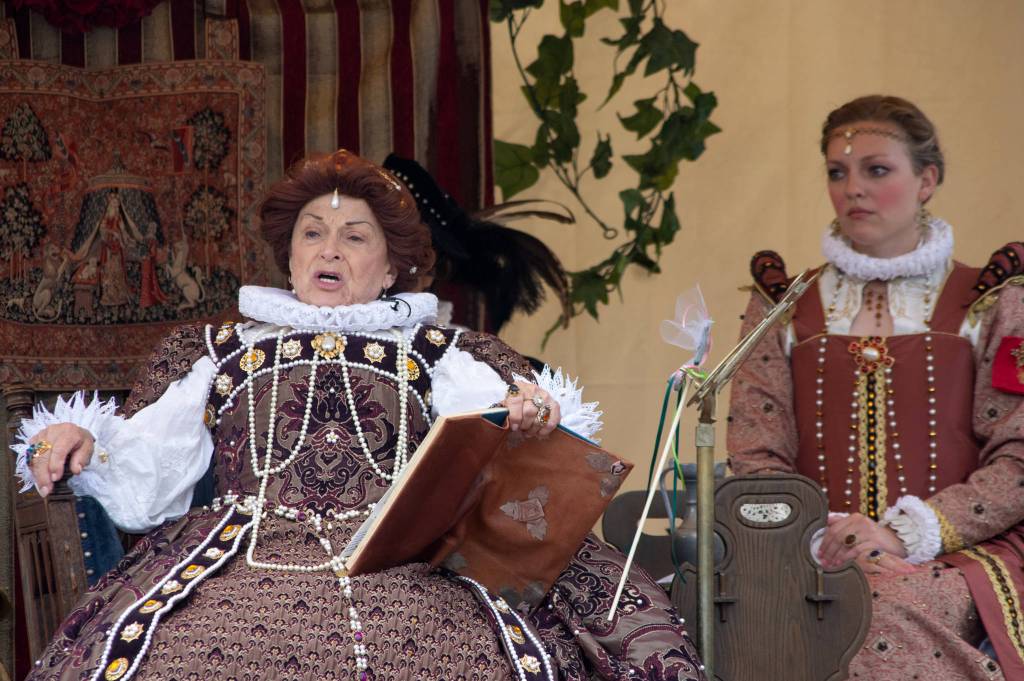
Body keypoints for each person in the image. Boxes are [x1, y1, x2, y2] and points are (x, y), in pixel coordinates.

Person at [12, 150, 704, 680]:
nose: (329, 249)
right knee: (181, 657)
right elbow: (143, 470)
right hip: (245, 558)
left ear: (393, 266)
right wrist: (80, 437)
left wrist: (524, 413)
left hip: (404, 561)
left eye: (354, 237)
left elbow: (507, 433)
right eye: (312, 233)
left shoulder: (440, 350)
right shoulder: (220, 350)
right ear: (289, 255)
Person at [727, 95, 1024, 680]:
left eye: (877, 169)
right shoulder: (782, 306)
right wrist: (818, 535)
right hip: (812, 556)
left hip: (964, 555)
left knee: (879, 608)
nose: (853, 188)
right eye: (837, 173)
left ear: (927, 180)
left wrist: (902, 533)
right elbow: (755, 454)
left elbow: (1019, 459)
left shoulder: (993, 301)